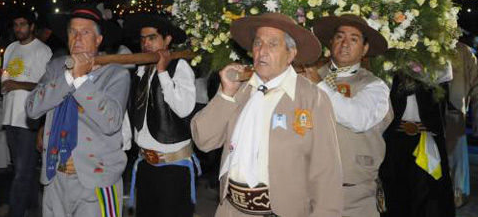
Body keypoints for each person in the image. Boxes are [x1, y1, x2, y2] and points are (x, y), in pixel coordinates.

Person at [190, 13, 343, 217]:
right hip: (231, 210)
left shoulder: (311, 97)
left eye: (273, 44)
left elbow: (326, 172)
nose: (262, 51)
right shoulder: (239, 89)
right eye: (258, 43)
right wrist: (225, 94)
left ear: (291, 54)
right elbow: (203, 140)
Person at [25, 6, 130, 217]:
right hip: (54, 178)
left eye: (85, 32)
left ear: (98, 40)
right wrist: (68, 77)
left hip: (95, 181)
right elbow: (32, 108)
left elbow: (111, 121)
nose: (77, 38)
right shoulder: (56, 68)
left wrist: (80, 80)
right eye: (73, 32)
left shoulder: (116, 75)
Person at [301, 15, 392, 217]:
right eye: (340, 37)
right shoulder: (306, 76)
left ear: (365, 49)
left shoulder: (375, 86)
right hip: (309, 192)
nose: (345, 44)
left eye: (354, 39)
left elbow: (358, 118)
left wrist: (319, 86)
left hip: (354, 197)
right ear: (330, 42)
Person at [123, 14, 196, 217]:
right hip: (145, 164)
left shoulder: (179, 67)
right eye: (143, 38)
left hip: (173, 168)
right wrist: (124, 143)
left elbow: (183, 108)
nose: (145, 43)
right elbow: (133, 112)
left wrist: (163, 73)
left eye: (152, 37)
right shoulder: (140, 70)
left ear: (167, 39)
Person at [380, 66, 456, 217]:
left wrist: (420, 71)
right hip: (395, 139)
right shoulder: (388, 64)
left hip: (425, 138)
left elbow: (443, 84)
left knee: (428, 195)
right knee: (395, 191)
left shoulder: (436, 62)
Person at [2, 10, 53, 217]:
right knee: (23, 169)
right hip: (10, 114)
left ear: (32, 26)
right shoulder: (11, 48)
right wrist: (4, 80)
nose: (18, 29)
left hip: (29, 118)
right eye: (16, 25)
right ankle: (34, 209)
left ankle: (15, 212)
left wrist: (18, 83)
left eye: (23, 24)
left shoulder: (43, 51)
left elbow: (47, 86)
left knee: (22, 171)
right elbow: (6, 76)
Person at [445, 41, 478, 207]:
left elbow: (477, 86)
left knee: (456, 158)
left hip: (454, 113)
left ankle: (457, 194)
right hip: (426, 115)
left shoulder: (463, 51)